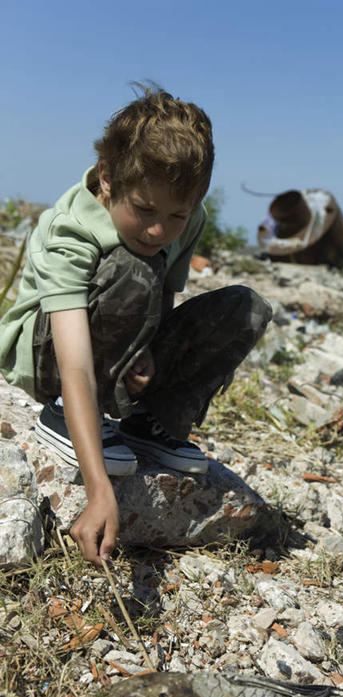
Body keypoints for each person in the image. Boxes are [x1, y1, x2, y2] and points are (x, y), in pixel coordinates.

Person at [0, 85, 272, 567]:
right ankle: (64, 416)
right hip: (51, 362)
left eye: (176, 216)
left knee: (246, 307)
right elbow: (76, 361)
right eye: (144, 210)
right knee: (132, 264)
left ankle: (153, 422)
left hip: (117, 342)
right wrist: (98, 487)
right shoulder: (71, 230)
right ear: (107, 178)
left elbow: (165, 291)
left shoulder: (182, 216)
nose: (158, 230)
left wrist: (146, 347)